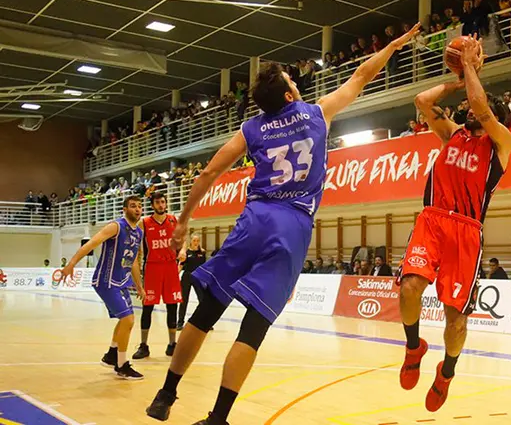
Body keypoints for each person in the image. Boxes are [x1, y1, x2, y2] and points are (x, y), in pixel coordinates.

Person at [146, 24, 421, 425]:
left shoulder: (251, 129)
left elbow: (207, 174)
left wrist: (184, 221)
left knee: (206, 313)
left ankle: (165, 395)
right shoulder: (316, 113)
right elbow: (361, 76)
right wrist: (394, 44)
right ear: (291, 95)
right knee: (252, 328)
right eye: (293, 80)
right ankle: (217, 419)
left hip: (254, 219)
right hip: (291, 227)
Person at [397, 34, 511, 412]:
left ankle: (446, 371)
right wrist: (458, 80)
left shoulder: (500, 143)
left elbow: (482, 107)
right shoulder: (451, 134)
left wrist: (468, 64)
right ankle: (414, 345)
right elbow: (422, 101)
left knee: (455, 320)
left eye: (470, 101)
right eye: (463, 101)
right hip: (432, 221)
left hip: (466, 231)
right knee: (409, 288)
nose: (466, 105)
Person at [61, 196, 146, 379]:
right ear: (125, 209)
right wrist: (71, 264)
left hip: (122, 282)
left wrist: (139, 286)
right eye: (133, 206)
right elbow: (91, 244)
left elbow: (133, 262)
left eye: (140, 206)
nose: (137, 209)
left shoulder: (138, 232)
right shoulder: (115, 226)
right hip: (106, 281)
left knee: (125, 320)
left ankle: (111, 355)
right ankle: (121, 365)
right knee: (128, 320)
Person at [133, 192, 183, 360]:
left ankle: (172, 344)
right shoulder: (144, 223)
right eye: (158, 202)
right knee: (148, 307)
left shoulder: (173, 220)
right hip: (152, 267)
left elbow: (183, 238)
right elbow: (137, 247)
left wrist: (182, 250)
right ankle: (144, 345)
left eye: (163, 202)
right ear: (152, 205)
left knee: (172, 306)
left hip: (170, 267)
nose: (161, 205)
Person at [177, 234, 206, 330]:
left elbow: (204, 267)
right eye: (194, 240)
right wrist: (175, 276)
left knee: (202, 300)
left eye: (198, 240)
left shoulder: (202, 253)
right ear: (191, 241)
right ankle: (180, 322)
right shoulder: (186, 253)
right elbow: (180, 266)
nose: (196, 242)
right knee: (184, 300)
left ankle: (204, 321)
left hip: (198, 277)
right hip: (187, 277)